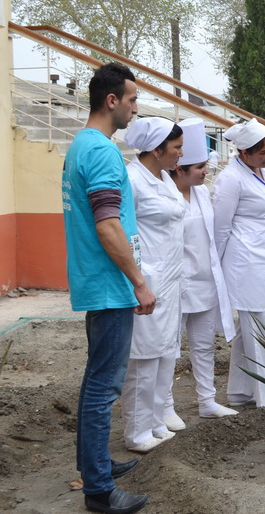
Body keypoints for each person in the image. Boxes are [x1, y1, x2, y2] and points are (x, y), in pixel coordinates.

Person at [63, 62, 152, 514]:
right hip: (110, 283)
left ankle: (93, 463)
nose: (136, 109)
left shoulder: (82, 145)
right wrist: (139, 281)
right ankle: (98, 489)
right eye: (132, 99)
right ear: (111, 100)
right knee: (104, 386)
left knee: (95, 380)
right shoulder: (99, 151)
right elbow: (108, 225)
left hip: (97, 281)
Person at [165, 118, 238, 421]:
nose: (206, 171)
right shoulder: (164, 194)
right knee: (169, 348)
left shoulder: (202, 194)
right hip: (175, 283)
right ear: (179, 169)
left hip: (205, 282)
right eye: (199, 168)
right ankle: (165, 405)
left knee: (204, 345)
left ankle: (207, 399)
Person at [121, 118, 185, 454]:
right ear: (157, 149)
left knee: (164, 354)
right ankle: (137, 431)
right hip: (148, 280)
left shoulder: (165, 179)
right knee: (144, 358)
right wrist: (138, 279)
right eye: (176, 148)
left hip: (171, 281)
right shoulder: (131, 181)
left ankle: (156, 421)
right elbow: (122, 232)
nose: (181, 154)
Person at [215, 117, 265, 409]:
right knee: (260, 328)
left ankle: (240, 391)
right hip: (246, 263)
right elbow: (221, 227)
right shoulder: (230, 179)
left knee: (250, 330)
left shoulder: (263, 172)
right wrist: (216, 270)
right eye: (263, 151)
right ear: (243, 153)